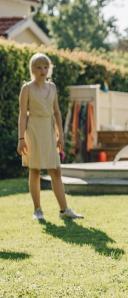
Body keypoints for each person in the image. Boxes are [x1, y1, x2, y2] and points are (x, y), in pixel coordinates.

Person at [17, 53, 84, 221]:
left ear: (49, 69)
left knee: (56, 170)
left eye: (45, 67)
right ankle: (37, 210)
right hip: (33, 131)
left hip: (49, 130)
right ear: (32, 69)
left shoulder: (52, 87)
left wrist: (60, 135)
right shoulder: (27, 88)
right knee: (35, 170)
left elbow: (57, 112)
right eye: (39, 67)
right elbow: (22, 116)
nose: (43, 70)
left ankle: (64, 210)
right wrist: (21, 139)